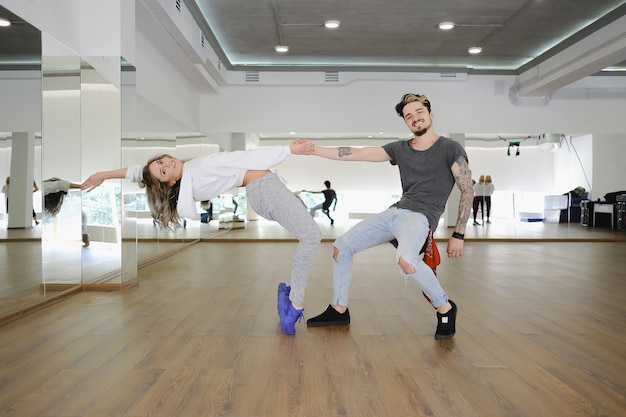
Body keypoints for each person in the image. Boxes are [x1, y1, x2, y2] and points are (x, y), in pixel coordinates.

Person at [81, 140, 321, 335]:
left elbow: (139, 172)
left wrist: (105, 174)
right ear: (170, 182)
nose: (167, 163)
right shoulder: (199, 168)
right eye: (164, 170)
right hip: (266, 189)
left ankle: (292, 303)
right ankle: (294, 306)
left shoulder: (187, 178)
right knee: (311, 236)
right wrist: (289, 150)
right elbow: (245, 158)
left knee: (309, 234)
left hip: (264, 190)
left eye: (162, 161)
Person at [304, 93, 474, 340]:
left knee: (406, 261)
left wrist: (458, 234)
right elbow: (357, 153)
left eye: (419, 112)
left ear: (430, 114)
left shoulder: (449, 148)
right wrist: (314, 150)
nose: (415, 118)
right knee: (341, 247)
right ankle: (339, 309)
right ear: (406, 122)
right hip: (394, 212)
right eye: (409, 116)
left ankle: (445, 308)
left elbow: (467, 188)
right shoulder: (400, 149)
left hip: (420, 217)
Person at [42, 177, 90, 246]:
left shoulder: (45, 191)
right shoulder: (45, 186)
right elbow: (61, 185)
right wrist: (81, 186)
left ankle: (85, 241)